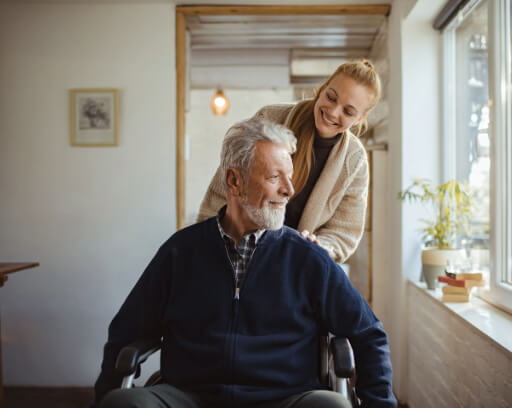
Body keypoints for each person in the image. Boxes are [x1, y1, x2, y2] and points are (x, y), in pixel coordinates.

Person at [92, 118, 395, 408]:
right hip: (189, 396)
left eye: (290, 177)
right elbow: (126, 331)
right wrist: (103, 397)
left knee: (330, 406)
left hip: (286, 398)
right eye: (275, 177)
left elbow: (368, 334)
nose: (289, 190)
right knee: (122, 403)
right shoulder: (180, 252)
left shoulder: (307, 258)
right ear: (234, 181)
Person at [197, 59, 381, 264]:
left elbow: (344, 232)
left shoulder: (355, 161)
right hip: (238, 252)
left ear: (359, 119)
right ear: (322, 88)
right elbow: (225, 189)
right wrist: (207, 242)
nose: (333, 111)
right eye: (331, 97)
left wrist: (319, 246)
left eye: (348, 111)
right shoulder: (269, 118)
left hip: (294, 266)